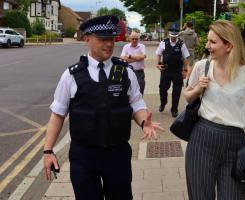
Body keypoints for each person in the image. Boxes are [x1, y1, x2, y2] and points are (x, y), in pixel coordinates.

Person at [43, 15, 163, 200]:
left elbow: (136, 103)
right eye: (103, 39)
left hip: (117, 153)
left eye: (112, 39)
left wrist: (143, 122)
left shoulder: (125, 72)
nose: (109, 44)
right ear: (87, 39)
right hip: (84, 155)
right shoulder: (71, 75)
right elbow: (57, 115)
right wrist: (48, 151)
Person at [184, 20, 245, 200]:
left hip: (235, 144)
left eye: (213, 42)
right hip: (202, 140)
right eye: (208, 41)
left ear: (229, 45)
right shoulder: (201, 67)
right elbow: (188, 97)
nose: (207, 45)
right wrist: (197, 89)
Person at [155, 28, 190, 118]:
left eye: (175, 36)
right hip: (165, 70)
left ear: (177, 35)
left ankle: (174, 109)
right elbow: (158, 54)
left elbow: (185, 58)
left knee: (177, 91)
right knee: (162, 88)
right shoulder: (163, 43)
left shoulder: (181, 44)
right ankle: (163, 103)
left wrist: (185, 70)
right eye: (172, 36)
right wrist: (157, 64)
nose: (174, 38)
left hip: (177, 71)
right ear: (169, 35)